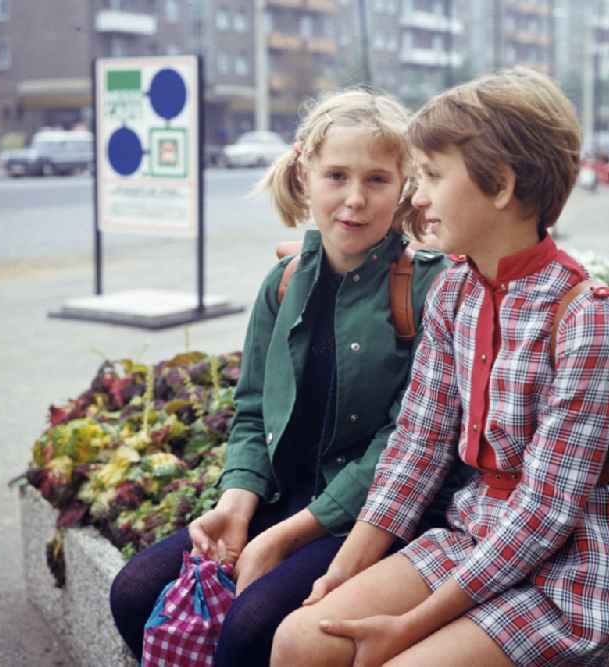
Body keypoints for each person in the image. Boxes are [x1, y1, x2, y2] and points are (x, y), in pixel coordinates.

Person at [271, 67, 609, 667]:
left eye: (430, 175)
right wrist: (342, 572)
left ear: (501, 185)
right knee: (301, 637)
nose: (416, 196)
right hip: (472, 534)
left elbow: (546, 512)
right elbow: (419, 444)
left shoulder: (590, 322)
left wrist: (409, 627)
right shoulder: (456, 290)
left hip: (575, 575)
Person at [109, 89, 448, 666]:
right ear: (305, 174)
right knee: (135, 593)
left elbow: (402, 448)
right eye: (337, 176)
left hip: (370, 518)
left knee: (252, 628)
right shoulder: (284, 281)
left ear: (405, 187)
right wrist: (237, 502)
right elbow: (251, 411)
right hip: (282, 500)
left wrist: (286, 536)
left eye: (377, 180)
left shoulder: (426, 288)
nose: (355, 200)